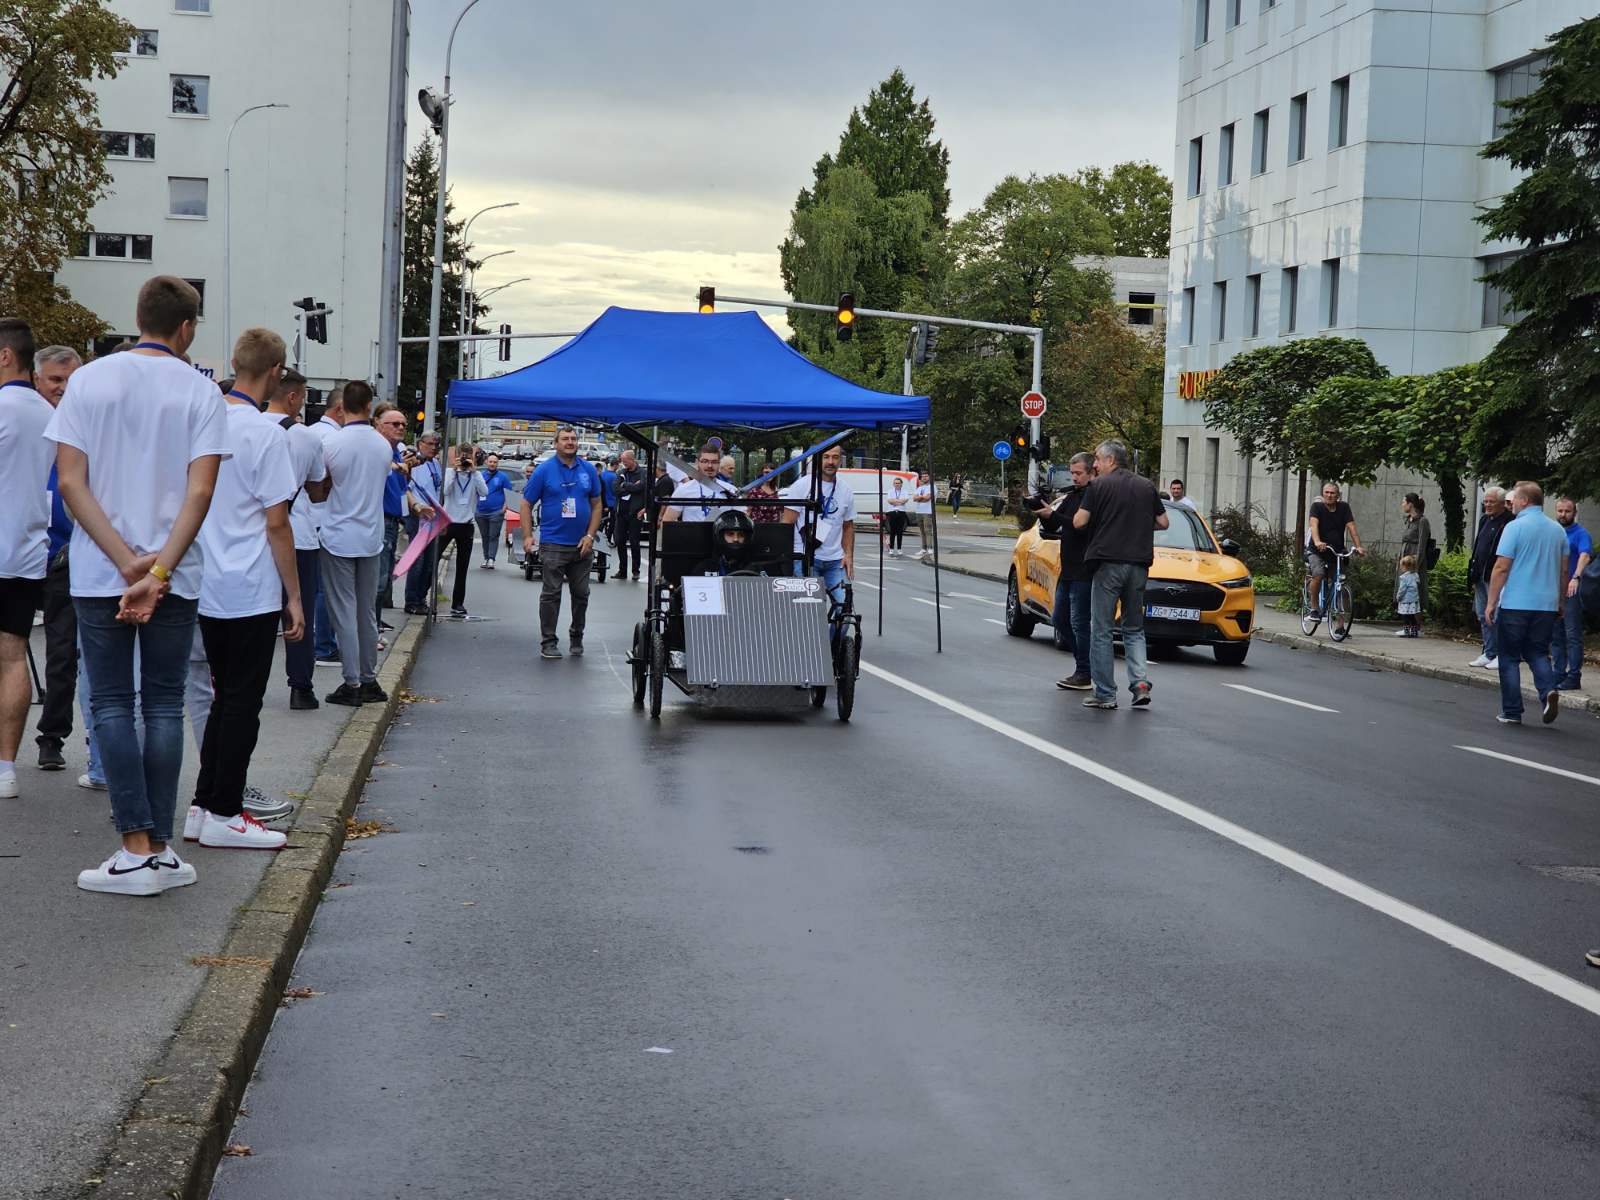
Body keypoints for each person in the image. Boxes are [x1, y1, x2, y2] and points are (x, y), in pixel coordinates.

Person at [46, 276, 226, 895]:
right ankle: (162, 850)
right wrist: (158, 571)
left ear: (139, 316)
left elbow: (71, 482)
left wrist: (126, 564)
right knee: (164, 704)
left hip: (102, 571)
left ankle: (133, 848)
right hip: (175, 572)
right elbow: (201, 491)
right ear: (187, 327)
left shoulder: (89, 381)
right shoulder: (201, 390)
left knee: (112, 703)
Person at [183, 329, 301, 850]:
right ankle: (226, 811)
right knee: (241, 704)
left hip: (205, 581)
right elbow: (277, 522)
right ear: (275, 372)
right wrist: (294, 595)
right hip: (249, 585)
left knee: (220, 699)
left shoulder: (205, 423)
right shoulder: (266, 434)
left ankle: (204, 804)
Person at [0, 319, 55, 801]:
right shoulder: (48, 413)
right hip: (26, 550)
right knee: (13, 656)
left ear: (5, 356)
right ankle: (5, 769)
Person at [1072, 439, 1168, 710]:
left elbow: (1079, 521)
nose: (1095, 465)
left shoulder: (1099, 486)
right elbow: (1163, 522)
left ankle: (1105, 693)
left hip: (1108, 564)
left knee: (1102, 629)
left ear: (1111, 460)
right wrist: (1137, 525)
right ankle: (1140, 684)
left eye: (1097, 459)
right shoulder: (1146, 486)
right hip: (1138, 565)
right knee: (1134, 628)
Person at [318, 380, 391, 706]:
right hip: (371, 536)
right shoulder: (382, 446)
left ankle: (351, 682)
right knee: (366, 612)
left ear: (341, 406)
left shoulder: (332, 443)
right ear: (369, 405)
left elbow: (319, 487)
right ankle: (369, 677)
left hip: (338, 536)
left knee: (343, 612)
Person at [30, 345, 83, 771]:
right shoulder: (22, 420)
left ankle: (52, 736)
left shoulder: (86, 426)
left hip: (66, 556)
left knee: (63, 653)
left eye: (70, 380)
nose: (63, 388)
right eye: (55, 379)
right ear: (36, 380)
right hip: (19, 552)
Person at [265, 367, 328, 711]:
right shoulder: (306, 436)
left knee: (257, 615)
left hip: (257, 535)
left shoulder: (248, 426)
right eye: (302, 398)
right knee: (298, 613)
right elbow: (317, 490)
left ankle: (249, 684)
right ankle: (300, 687)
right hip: (298, 533)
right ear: (292, 397)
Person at [1484, 481, 1568, 726]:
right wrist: (1560, 601)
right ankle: (1548, 691)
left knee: (1509, 657)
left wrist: (1491, 602)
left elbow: (1501, 567)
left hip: (1516, 603)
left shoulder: (1514, 527)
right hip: (1546, 604)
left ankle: (1512, 711)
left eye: (1514, 499)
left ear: (1524, 501)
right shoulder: (1557, 531)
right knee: (1538, 653)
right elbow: (1564, 571)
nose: (1511, 504)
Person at [521, 426, 602, 659]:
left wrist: (590, 535)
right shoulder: (544, 470)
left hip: (582, 544)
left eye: (573, 439)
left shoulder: (588, 469)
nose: (570, 442)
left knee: (581, 594)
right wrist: (528, 535)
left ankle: (577, 636)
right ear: (556, 443)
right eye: (565, 439)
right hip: (553, 543)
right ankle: (548, 641)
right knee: (551, 594)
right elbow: (526, 503)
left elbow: (597, 504)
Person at [1031, 452, 1095, 690]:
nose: (1074, 477)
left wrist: (1055, 515)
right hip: (1067, 569)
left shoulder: (1092, 496)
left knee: (1079, 622)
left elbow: (1080, 526)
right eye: (1072, 473)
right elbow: (1056, 523)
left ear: (1091, 472)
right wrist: (1044, 513)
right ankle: (1084, 665)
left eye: (1079, 473)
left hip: (1084, 569)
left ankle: (1085, 671)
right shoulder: (1073, 495)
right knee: (1059, 618)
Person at [782, 444, 856, 604]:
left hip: (835, 560)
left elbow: (848, 526)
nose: (830, 462)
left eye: (835, 457)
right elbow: (787, 523)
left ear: (840, 461)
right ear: (817, 459)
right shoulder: (801, 486)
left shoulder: (846, 490)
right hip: (806, 558)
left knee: (844, 608)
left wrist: (849, 555)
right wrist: (788, 558)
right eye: (826, 457)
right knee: (812, 609)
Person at [309, 389, 346, 663]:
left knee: (312, 587)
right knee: (326, 587)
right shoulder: (335, 438)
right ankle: (324, 645)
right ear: (341, 408)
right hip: (325, 518)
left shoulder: (309, 432)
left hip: (306, 519)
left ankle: (319, 642)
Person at [438, 442, 487, 616]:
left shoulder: (476, 475)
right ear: (457, 457)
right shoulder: (449, 472)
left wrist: (474, 472)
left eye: (469, 456)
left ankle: (458, 603)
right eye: (463, 456)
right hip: (448, 523)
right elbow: (445, 491)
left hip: (466, 525)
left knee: (462, 567)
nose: (465, 460)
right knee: (433, 561)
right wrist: (455, 470)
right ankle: (424, 595)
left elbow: (484, 492)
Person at [1467, 487, 1512, 669]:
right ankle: (1489, 652)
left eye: (1491, 502)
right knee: (1482, 614)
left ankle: (1501, 654)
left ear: (1502, 503)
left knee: (1496, 615)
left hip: (1495, 575)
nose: (1487, 505)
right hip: (1480, 574)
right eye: (1485, 501)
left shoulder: (1509, 522)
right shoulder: (1484, 519)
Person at [1307, 482, 1366, 617]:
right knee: (1318, 573)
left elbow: (1352, 528)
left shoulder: (1344, 508)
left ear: (1338, 495)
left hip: (1337, 551)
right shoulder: (1317, 507)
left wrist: (1358, 546)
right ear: (1323, 494)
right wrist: (1317, 541)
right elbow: (1314, 525)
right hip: (1317, 551)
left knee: (1341, 581)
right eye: (1327, 492)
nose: (1329, 495)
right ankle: (1314, 607)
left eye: (1332, 493)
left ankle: (1341, 624)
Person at [373, 404, 410, 622]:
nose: (401, 427)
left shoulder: (397, 453)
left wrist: (416, 506)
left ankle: (374, 625)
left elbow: (403, 489)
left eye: (403, 424)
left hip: (393, 521)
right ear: (378, 424)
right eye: (395, 424)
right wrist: (393, 466)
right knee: (378, 580)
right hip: (380, 519)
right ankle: (370, 628)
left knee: (384, 578)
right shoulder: (378, 449)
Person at [1552, 498, 1591, 690]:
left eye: (1567, 511)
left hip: (1570, 590)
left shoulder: (1580, 533)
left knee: (1572, 634)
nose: (1563, 515)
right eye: (1560, 511)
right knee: (1556, 634)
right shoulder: (1554, 532)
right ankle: (1558, 672)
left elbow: (1585, 555)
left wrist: (1576, 577)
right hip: (1553, 590)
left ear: (1574, 513)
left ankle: (1574, 675)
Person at [403, 431, 443, 615]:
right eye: (430, 444)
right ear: (420, 444)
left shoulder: (435, 464)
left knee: (429, 562)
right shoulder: (415, 464)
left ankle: (421, 598)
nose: (434, 448)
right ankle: (412, 600)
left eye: (437, 445)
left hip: (433, 517)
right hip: (418, 516)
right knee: (417, 561)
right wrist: (416, 508)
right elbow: (407, 490)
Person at [663, 443, 740, 523]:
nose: (709, 466)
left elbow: (742, 520)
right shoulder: (683, 490)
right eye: (705, 461)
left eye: (714, 462)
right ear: (697, 462)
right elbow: (667, 522)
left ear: (719, 464)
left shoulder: (730, 490)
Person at [611, 450, 647, 581]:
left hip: (635, 513)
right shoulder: (621, 472)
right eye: (622, 461)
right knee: (619, 541)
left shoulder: (642, 473)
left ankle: (635, 570)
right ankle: (622, 570)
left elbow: (641, 487)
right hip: (621, 512)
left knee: (634, 542)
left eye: (625, 461)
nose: (623, 463)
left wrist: (625, 485)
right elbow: (615, 489)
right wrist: (631, 487)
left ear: (632, 460)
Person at [691, 510, 760, 576]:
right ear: (720, 536)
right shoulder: (705, 568)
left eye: (741, 535)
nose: (735, 539)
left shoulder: (757, 568)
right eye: (730, 534)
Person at [1398, 493, 1432, 624]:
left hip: (1413, 561)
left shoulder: (1422, 521)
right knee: (1405, 591)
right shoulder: (1408, 520)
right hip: (1405, 559)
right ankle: (1407, 625)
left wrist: (1415, 565)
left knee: (1414, 592)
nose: (1402, 505)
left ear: (1410, 504)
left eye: (1404, 502)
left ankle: (1415, 626)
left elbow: (1422, 545)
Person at [476, 453, 513, 569]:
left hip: (496, 512)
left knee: (493, 536)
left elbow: (509, 494)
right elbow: (474, 492)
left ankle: (491, 559)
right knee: (484, 536)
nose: (492, 464)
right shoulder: (480, 476)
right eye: (490, 462)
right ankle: (486, 558)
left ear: (497, 463)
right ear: (486, 462)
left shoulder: (503, 477)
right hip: (480, 512)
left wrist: (504, 509)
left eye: (495, 462)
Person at [1395, 555, 1422, 638]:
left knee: (1405, 616)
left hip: (1405, 601)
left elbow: (1402, 590)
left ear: (1405, 566)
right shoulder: (1415, 575)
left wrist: (1398, 597)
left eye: (1401, 566)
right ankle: (1414, 631)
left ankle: (1406, 631)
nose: (1401, 568)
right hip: (1414, 601)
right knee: (1412, 616)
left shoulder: (1404, 578)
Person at [911, 471, 935, 562]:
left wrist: (919, 498)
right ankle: (923, 548)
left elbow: (928, 498)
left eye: (926, 476)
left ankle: (930, 548)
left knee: (928, 530)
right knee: (922, 531)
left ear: (929, 477)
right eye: (923, 476)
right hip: (919, 511)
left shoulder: (932, 487)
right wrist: (922, 497)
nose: (924, 478)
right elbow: (914, 498)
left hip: (927, 512)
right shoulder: (919, 488)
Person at [884, 476, 910, 556]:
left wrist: (895, 501)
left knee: (900, 532)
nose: (897, 484)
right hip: (892, 512)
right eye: (895, 483)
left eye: (898, 483)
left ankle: (899, 549)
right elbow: (890, 501)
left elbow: (905, 500)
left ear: (901, 484)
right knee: (892, 531)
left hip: (901, 512)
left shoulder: (905, 491)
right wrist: (899, 501)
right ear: (893, 484)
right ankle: (891, 549)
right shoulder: (890, 491)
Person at [598, 456, 620, 544]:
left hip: (603, 503)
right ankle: (608, 538)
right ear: (615, 465)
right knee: (612, 522)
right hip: (613, 503)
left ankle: (598, 540)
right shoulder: (615, 476)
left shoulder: (602, 475)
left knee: (601, 522)